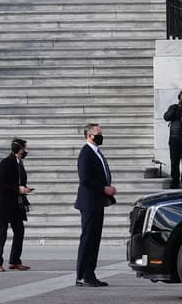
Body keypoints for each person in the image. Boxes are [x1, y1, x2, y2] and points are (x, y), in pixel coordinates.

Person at [0, 138, 33, 272]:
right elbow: (1, 184)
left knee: (19, 231)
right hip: (3, 204)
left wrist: (24, 188)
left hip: (16, 204)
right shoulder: (5, 163)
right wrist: (18, 188)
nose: (26, 151)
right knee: (2, 233)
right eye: (25, 148)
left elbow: (19, 181)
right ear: (20, 150)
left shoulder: (19, 163)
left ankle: (14, 261)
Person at [75, 123, 115, 288]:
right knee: (88, 239)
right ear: (89, 135)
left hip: (97, 202)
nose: (101, 137)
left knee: (94, 240)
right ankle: (83, 276)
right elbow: (85, 180)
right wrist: (104, 188)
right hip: (89, 203)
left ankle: (90, 274)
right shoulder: (86, 153)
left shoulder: (96, 152)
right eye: (98, 134)